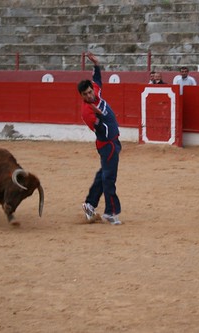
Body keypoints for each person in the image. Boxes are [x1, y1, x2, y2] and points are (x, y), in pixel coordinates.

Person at [78, 52, 122, 225]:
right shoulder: (87, 112)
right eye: (85, 95)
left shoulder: (95, 91)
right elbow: (101, 131)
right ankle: (110, 212)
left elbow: (97, 79)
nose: (89, 96)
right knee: (109, 177)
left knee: (104, 174)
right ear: (81, 96)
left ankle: (90, 204)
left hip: (113, 141)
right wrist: (100, 116)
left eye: (89, 92)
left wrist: (96, 65)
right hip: (107, 144)